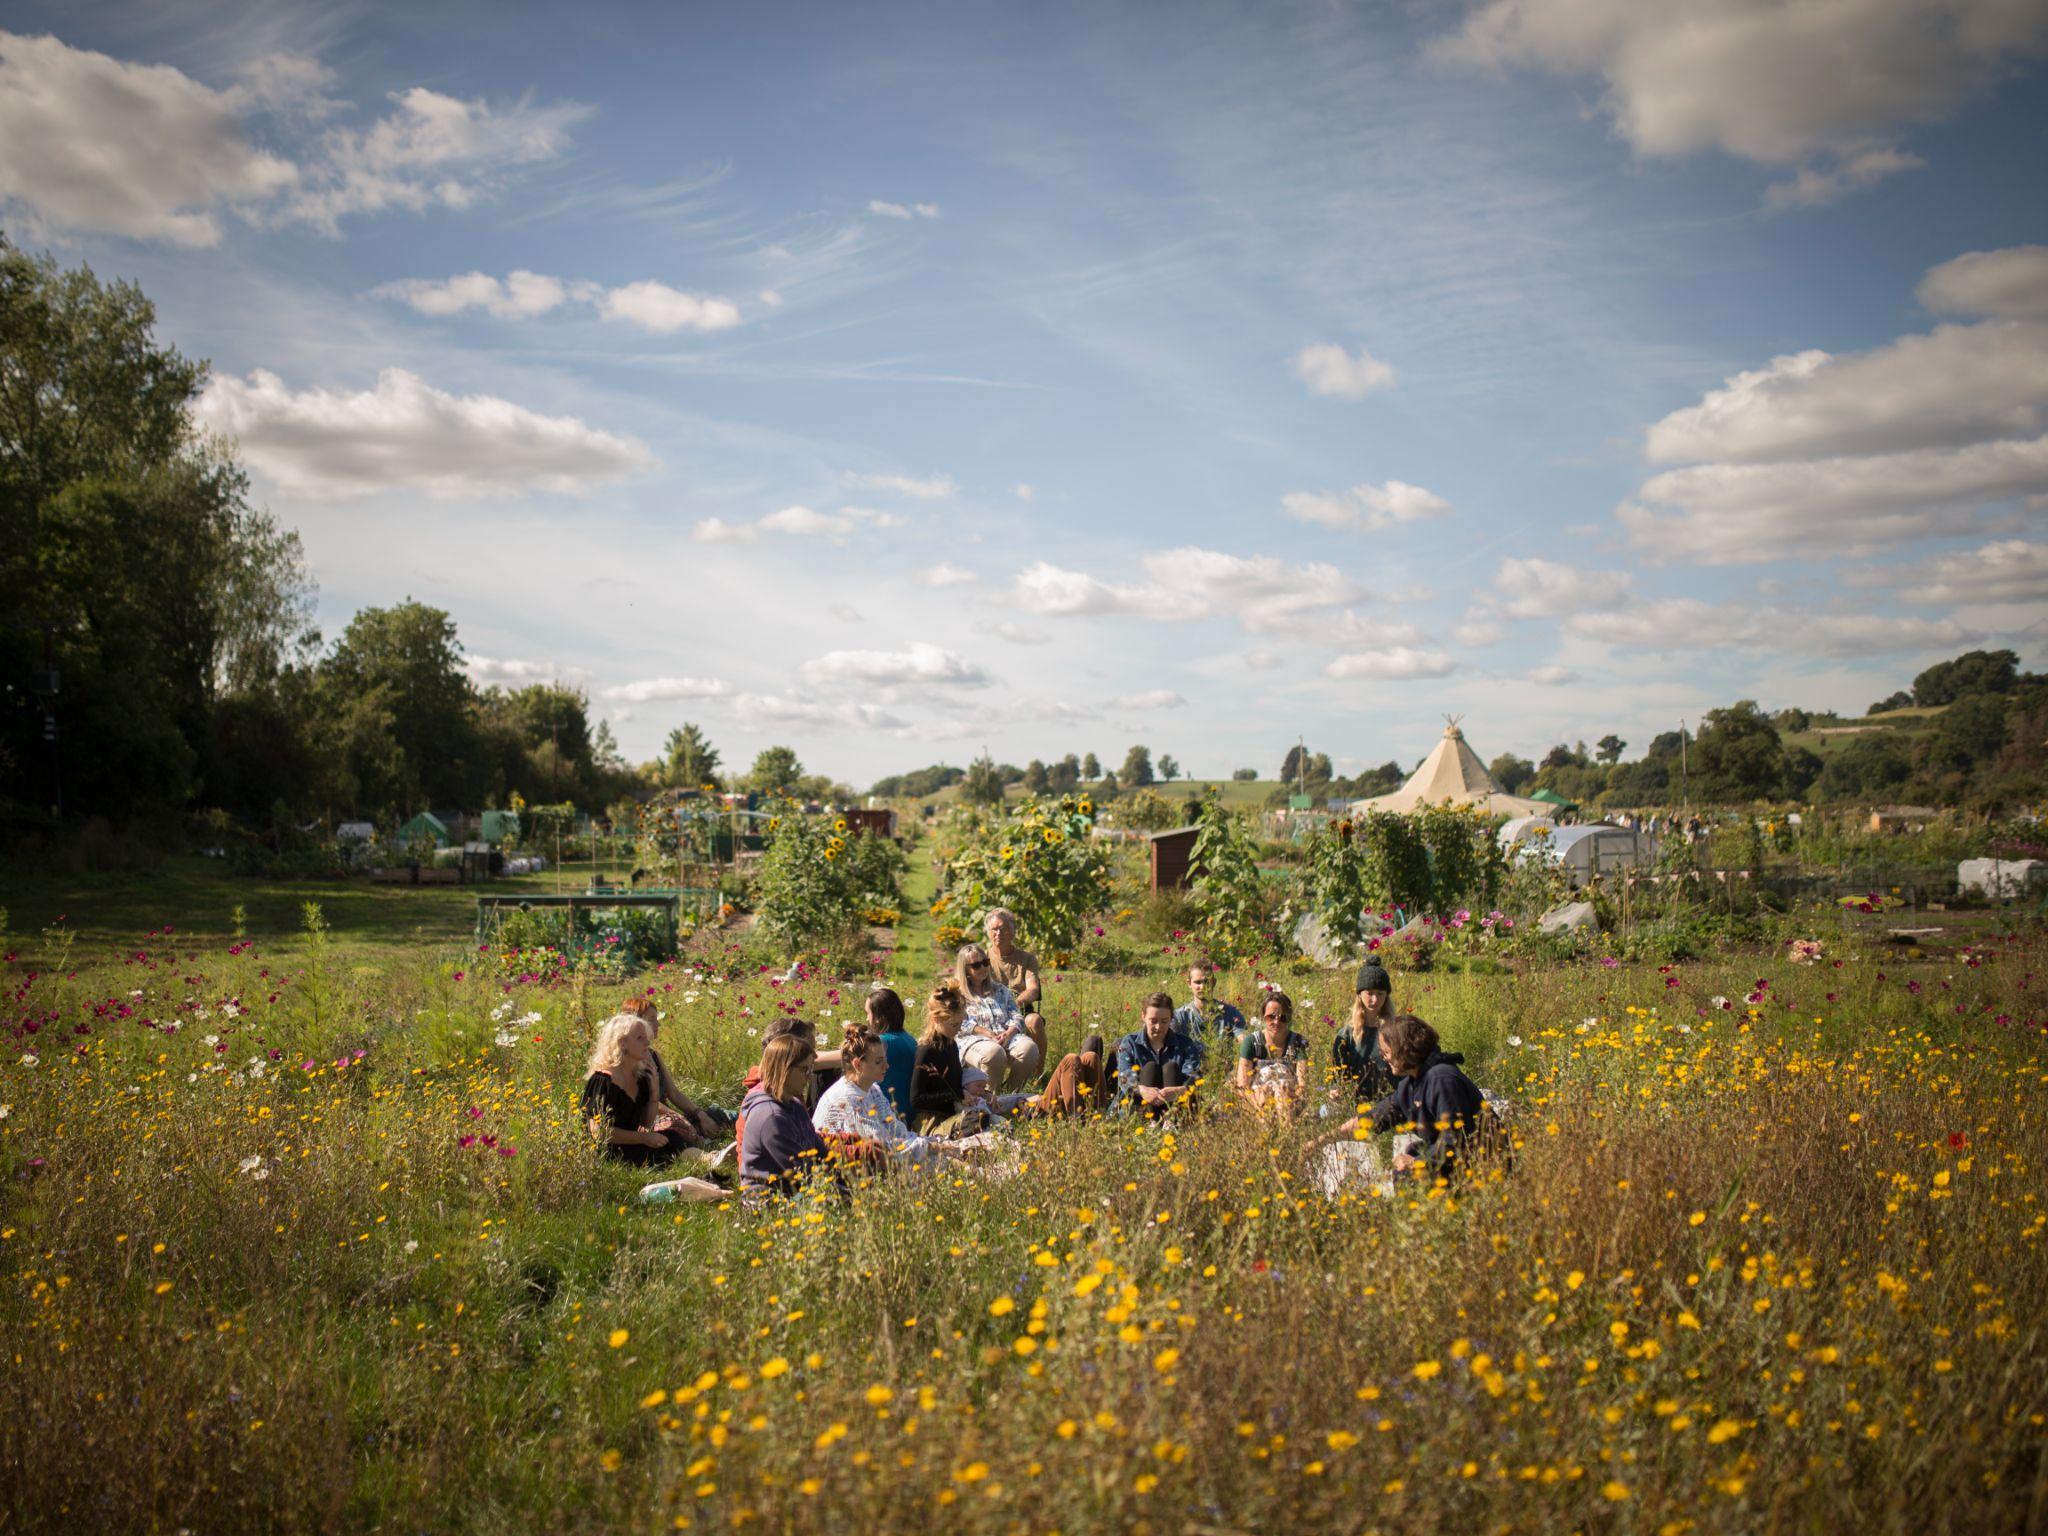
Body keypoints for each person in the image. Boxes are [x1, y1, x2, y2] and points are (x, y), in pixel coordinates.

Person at [812, 1023, 958, 1173]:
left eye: (885, 1060)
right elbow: (880, 1149)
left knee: (949, 1158)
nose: (886, 1066)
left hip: (879, 1162)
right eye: (878, 1061)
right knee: (945, 1166)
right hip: (850, 1172)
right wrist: (930, 1147)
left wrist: (933, 1143)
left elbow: (897, 1131)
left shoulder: (872, 1089)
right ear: (858, 1064)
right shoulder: (848, 1099)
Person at [1366, 1013, 1491, 1181]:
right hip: (1455, 1166)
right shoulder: (1412, 1084)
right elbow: (1378, 1116)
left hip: (1482, 1169)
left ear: (1405, 1049)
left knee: (1408, 1170)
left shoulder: (1442, 1080)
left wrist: (1416, 1162)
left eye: (1386, 1052)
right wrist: (1328, 1137)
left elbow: (1454, 1141)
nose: (1384, 1057)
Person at [581, 1012, 692, 1167]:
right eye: (640, 1038)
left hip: (632, 1143)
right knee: (655, 1152)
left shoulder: (639, 1077)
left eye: (646, 1037)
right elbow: (598, 1132)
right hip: (606, 1151)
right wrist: (644, 1138)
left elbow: (646, 1124)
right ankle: (698, 1160)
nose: (647, 1042)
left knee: (672, 1137)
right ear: (622, 1043)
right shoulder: (603, 1081)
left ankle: (708, 1158)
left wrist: (653, 1094)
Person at [738, 1033, 834, 1201]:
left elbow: (821, 1153)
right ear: (784, 1069)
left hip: (797, 1192)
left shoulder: (795, 1105)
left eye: (810, 1069)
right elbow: (800, 1172)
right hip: (770, 1202)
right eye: (804, 1069)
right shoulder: (771, 1117)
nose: (809, 1076)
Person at [620, 995, 726, 1144]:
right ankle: (702, 1147)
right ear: (635, 1023)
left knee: (717, 1114)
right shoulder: (627, 1061)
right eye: (651, 1020)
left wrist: (699, 1114)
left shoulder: (653, 1055)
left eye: (656, 1019)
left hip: (670, 1115)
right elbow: (644, 1103)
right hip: (650, 1122)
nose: (658, 1024)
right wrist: (677, 1117)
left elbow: (674, 1094)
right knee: (676, 1128)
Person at [955, 943, 1044, 1094]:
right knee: (994, 1052)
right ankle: (991, 1097)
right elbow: (958, 1022)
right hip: (974, 1040)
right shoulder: (958, 993)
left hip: (1004, 1036)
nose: (983, 968)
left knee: (1030, 1049)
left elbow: (1016, 1015)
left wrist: (1009, 1032)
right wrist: (986, 1033)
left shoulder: (1000, 990)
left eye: (985, 962)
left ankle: (1012, 1095)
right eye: (976, 965)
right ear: (966, 970)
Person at [910, 981, 989, 1136]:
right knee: (982, 1120)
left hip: (957, 1111)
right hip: (933, 1121)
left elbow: (957, 1083)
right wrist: (957, 1095)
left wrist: (982, 1093)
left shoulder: (951, 1044)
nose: (959, 1029)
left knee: (1019, 1100)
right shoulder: (926, 1051)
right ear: (936, 1020)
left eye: (960, 1023)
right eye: (954, 1024)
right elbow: (916, 1099)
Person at [1113, 992, 1206, 1118]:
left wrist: (1178, 1090)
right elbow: (1124, 1076)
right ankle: (1149, 1122)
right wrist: (1141, 1090)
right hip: (1141, 1105)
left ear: (1171, 1018)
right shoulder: (1130, 1042)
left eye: (1164, 1021)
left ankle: (1171, 1121)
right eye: (1153, 1021)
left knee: (1171, 1067)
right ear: (1143, 1016)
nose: (1158, 1026)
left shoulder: (1185, 1044)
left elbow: (1194, 1077)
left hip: (1176, 1105)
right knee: (1150, 1067)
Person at [983, 908, 1048, 1061]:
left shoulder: (1026, 959)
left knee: (1035, 1020)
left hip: (1020, 1010)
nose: (998, 933)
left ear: (1012, 932)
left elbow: (1033, 989)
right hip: (990, 1012)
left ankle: (1037, 1070)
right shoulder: (982, 958)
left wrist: (1013, 1003)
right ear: (988, 932)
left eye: (1003, 929)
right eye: (994, 929)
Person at [1331, 962, 1397, 1108]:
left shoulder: (1396, 1030)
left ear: (1386, 996)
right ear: (1359, 994)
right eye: (1369, 993)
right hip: (1356, 1103)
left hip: (1390, 1102)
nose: (1374, 999)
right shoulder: (1346, 1035)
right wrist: (1335, 1091)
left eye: (1380, 993)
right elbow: (1336, 1076)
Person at [1235, 989, 1310, 1112]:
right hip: (1258, 1100)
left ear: (1289, 1018)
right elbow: (1242, 1086)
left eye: (1283, 1018)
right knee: (1264, 1090)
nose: (1276, 1022)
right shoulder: (1252, 1042)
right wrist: (1259, 1110)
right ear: (1263, 1017)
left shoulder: (1297, 1042)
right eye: (1271, 1017)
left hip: (1288, 1099)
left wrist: (1288, 1099)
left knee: (1282, 1090)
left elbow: (1303, 1085)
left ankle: (1285, 1128)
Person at [1173, 957, 1246, 1055]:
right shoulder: (1180, 1016)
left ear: (1214, 982)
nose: (1202, 987)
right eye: (1198, 982)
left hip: (1224, 1066)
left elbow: (1244, 1042)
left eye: (1207, 981)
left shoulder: (1230, 1013)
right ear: (1189, 983)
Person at [869, 986, 919, 1122]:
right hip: (909, 1116)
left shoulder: (881, 1042)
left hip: (890, 1118)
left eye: (868, 1013)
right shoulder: (910, 1039)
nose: (867, 1019)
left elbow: (842, 1057)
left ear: (878, 1018)